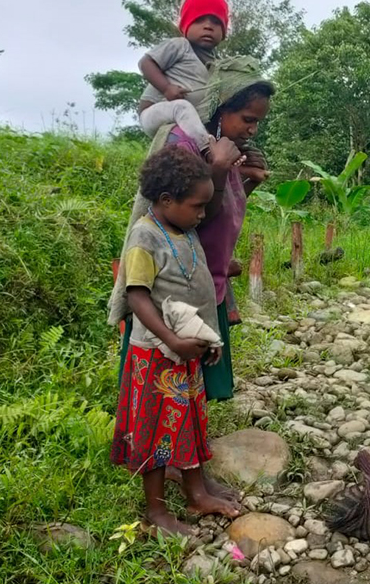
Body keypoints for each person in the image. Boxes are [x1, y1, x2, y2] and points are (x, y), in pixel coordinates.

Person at [109, 55, 274, 509]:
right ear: (220, 106)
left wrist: (247, 178)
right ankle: (159, 501)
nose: (252, 129)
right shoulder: (190, 151)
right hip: (167, 319)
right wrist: (221, 169)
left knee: (190, 402)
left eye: (257, 121)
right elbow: (185, 230)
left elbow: (207, 220)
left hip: (199, 299)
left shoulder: (220, 147)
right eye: (247, 118)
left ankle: (194, 483)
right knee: (157, 413)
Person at [110, 145, 238, 536]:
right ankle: (157, 510)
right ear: (166, 200)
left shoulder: (181, 227)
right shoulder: (144, 237)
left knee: (189, 422)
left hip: (184, 352)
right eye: (197, 206)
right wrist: (171, 339)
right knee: (156, 430)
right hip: (157, 354)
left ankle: (196, 491)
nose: (203, 214)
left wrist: (203, 340)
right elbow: (137, 295)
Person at [138, 0, 229, 156]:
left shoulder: (219, 65)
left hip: (187, 124)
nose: (208, 26)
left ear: (223, 32)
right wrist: (166, 88)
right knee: (182, 106)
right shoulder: (180, 46)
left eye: (216, 22)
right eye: (199, 20)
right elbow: (146, 63)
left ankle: (206, 148)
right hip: (155, 112)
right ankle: (208, 150)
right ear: (185, 26)